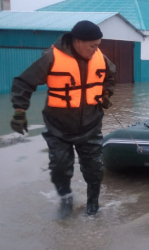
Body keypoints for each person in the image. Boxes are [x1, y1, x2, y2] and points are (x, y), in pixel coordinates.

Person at [10, 20, 116, 218]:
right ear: (77, 42)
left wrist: (105, 92)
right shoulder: (51, 58)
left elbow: (110, 75)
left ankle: (93, 203)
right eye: (92, 45)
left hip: (91, 124)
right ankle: (66, 200)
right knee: (60, 166)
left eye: (98, 45)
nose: (96, 50)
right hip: (58, 126)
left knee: (94, 168)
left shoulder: (99, 57)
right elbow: (23, 82)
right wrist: (19, 111)